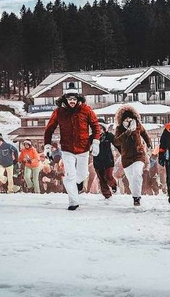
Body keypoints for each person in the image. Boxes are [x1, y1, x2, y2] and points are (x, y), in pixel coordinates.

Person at [44, 82, 101, 210]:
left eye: (74, 99)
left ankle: (76, 184)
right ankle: (73, 202)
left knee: (82, 174)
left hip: (83, 148)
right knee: (70, 175)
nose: (72, 101)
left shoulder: (86, 109)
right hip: (67, 149)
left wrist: (96, 142)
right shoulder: (59, 112)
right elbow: (49, 129)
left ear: (78, 99)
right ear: (65, 99)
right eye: (69, 99)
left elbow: (96, 126)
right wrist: (47, 146)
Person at [113, 105, 152, 206]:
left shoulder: (138, 124)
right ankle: (135, 193)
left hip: (139, 154)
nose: (128, 120)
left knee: (137, 174)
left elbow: (145, 134)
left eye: (130, 118)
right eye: (126, 118)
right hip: (126, 157)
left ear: (134, 117)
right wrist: (126, 133)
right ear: (122, 119)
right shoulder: (119, 128)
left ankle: (136, 197)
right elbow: (116, 142)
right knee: (131, 179)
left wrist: (149, 143)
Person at [93, 122, 117, 199]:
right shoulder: (92, 137)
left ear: (104, 129)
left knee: (108, 176)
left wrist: (122, 151)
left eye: (101, 128)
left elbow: (117, 143)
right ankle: (107, 195)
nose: (99, 130)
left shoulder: (109, 136)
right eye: (97, 128)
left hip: (108, 160)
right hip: (97, 161)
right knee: (102, 179)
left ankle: (113, 185)